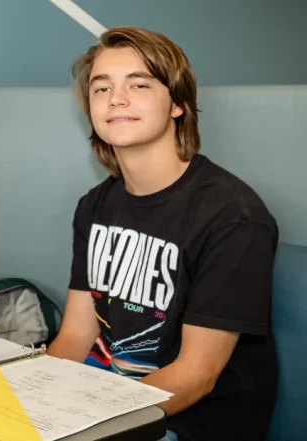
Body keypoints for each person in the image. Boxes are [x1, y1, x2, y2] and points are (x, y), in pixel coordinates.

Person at [45, 27, 279, 441]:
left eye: (139, 84)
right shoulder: (95, 206)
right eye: (101, 88)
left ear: (178, 104)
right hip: (107, 404)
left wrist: (83, 424)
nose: (116, 98)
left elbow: (195, 376)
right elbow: (77, 335)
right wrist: (31, 402)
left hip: (188, 422)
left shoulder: (233, 217)